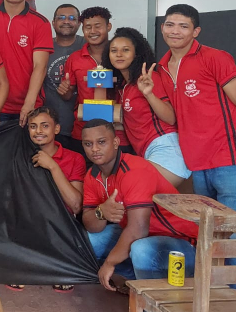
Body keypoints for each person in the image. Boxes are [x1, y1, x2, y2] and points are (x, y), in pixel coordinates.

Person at [159, 4, 236, 296]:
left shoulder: (215, 58)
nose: (175, 31)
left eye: (183, 26)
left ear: (195, 31)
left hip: (233, 160)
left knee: (235, 237)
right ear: (163, 28)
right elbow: (174, 117)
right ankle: (212, 303)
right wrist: (148, 92)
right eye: (170, 24)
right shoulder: (162, 66)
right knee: (208, 236)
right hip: (199, 164)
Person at [81, 119, 197, 295]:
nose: (94, 149)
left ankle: (154, 305)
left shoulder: (134, 169)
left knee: (140, 248)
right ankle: (139, 282)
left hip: (182, 243)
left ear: (115, 142)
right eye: (88, 144)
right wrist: (100, 212)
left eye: (101, 142)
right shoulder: (92, 175)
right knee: (89, 241)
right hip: (145, 238)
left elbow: (138, 229)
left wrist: (109, 263)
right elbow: (91, 224)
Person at [103, 27, 189, 187]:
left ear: (136, 54)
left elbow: (170, 118)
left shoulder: (148, 79)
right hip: (147, 152)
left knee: (132, 188)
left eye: (125, 50)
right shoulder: (123, 88)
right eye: (114, 50)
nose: (119, 54)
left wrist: (149, 94)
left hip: (166, 148)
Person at [27, 107, 86, 294]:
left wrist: (53, 166)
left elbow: (76, 205)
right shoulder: (22, 156)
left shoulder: (75, 158)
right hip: (31, 221)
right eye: (33, 126)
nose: (38, 131)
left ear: (57, 129)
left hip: (61, 224)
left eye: (45, 126)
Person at [59, 6, 130, 156]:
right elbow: (67, 96)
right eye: (87, 27)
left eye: (98, 26)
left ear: (108, 26)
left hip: (119, 133)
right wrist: (65, 91)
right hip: (84, 133)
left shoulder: (121, 54)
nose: (92, 31)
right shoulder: (75, 58)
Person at [43, 4, 85, 138]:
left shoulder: (88, 46)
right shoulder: (43, 47)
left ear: (79, 23)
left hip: (85, 126)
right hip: (52, 126)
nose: (66, 21)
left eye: (72, 18)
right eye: (61, 18)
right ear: (53, 23)